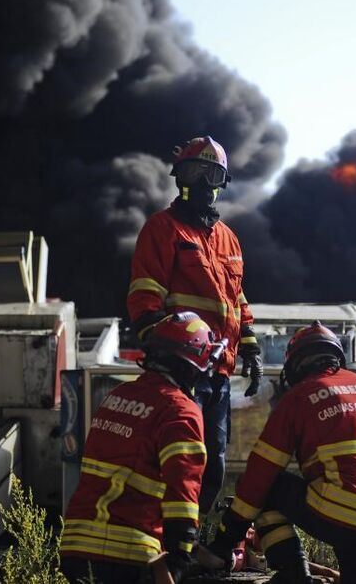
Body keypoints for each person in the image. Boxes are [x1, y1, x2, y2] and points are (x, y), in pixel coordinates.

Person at [206, 322, 356, 584]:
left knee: (266, 488)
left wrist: (225, 540)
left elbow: (260, 474)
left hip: (340, 510)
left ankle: (294, 573)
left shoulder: (300, 396)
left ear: (297, 365)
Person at [127, 135, 263, 516]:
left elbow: (236, 299)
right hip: (180, 370)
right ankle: (166, 544)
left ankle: (193, 539)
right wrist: (155, 343)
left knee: (213, 462)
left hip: (218, 372)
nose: (203, 184)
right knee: (175, 459)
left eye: (212, 174)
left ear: (223, 183)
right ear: (178, 177)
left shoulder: (229, 239)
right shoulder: (163, 229)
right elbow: (144, 292)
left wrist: (249, 347)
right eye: (194, 172)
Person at [60, 312, 227, 583]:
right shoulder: (180, 411)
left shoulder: (117, 396)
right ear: (192, 366)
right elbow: (182, 491)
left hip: (76, 547)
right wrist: (180, 555)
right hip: (130, 553)